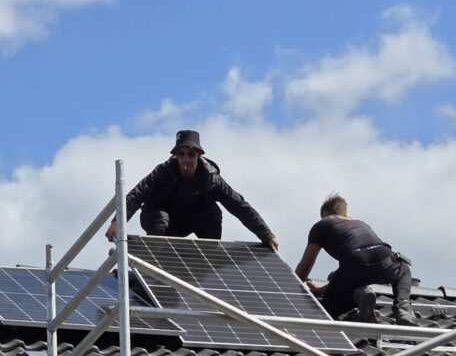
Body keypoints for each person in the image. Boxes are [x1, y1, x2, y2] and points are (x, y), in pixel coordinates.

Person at [105, 130, 279, 250]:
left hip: (189, 221)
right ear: (176, 155)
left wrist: (267, 235)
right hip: (160, 222)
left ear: (199, 155)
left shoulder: (211, 179)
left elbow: (239, 206)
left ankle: (207, 259)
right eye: (181, 154)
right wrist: (117, 222)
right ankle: (156, 262)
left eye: (191, 154)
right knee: (160, 218)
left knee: (212, 213)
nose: (186, 160)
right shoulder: (163, 172)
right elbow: (136, 195)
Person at [295, 194, 416, 326]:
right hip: (383, 257)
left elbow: (304, 269)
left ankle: (360, 296)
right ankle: (403, 308)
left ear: (324, 213)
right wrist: (323, 289)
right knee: (403, 269)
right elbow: (368, 263)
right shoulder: (361, 223)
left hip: (355, 262)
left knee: (327, 309)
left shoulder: (322, 224)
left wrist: (291, 286)